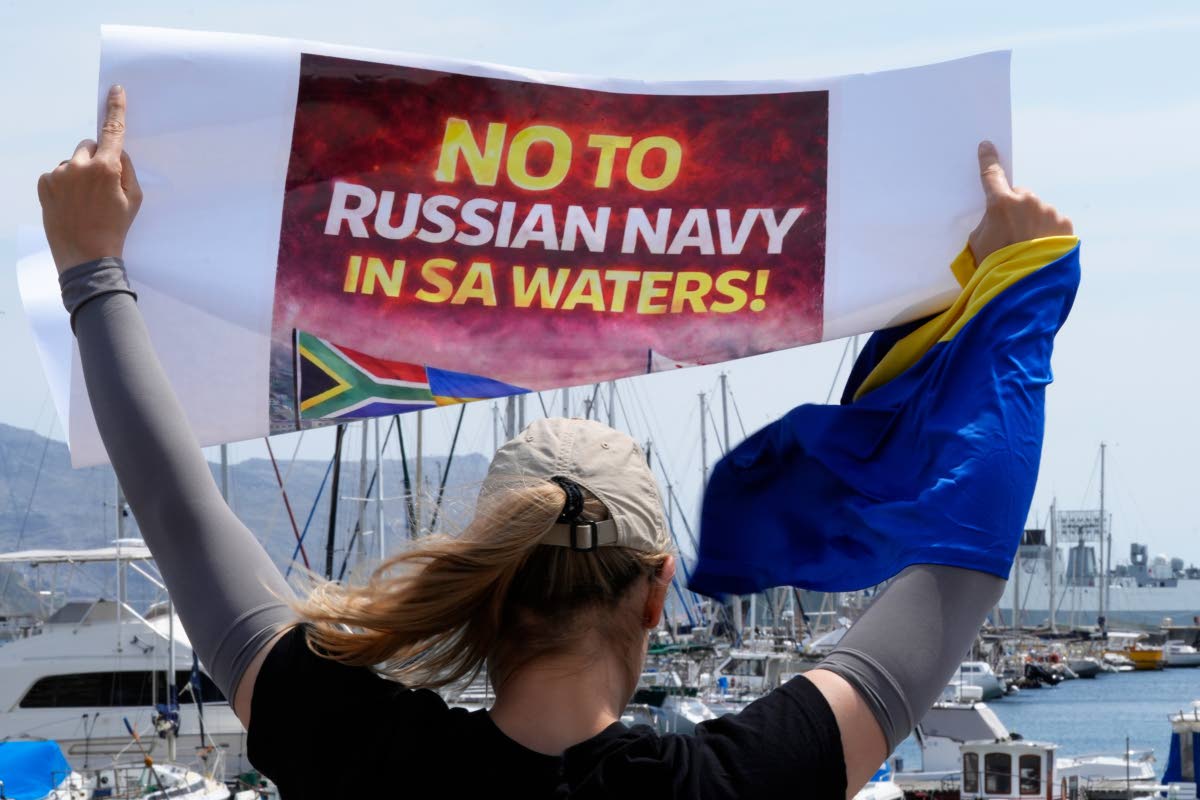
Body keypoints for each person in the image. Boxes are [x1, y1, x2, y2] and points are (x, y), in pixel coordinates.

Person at [38, 85, 1073, 799]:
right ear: (657, 590)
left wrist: (92, 267)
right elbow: (961, 559)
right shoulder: (744, 782)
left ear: (492, 578)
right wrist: (1010, 298)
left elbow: (178, 513)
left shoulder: (361, 757)